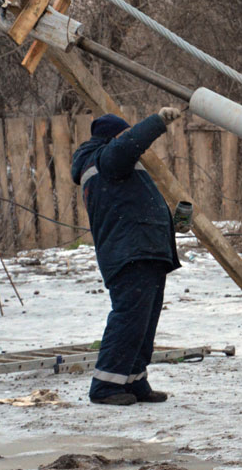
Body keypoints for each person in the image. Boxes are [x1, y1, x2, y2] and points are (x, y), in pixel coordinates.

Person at [71, 108, 183, 406]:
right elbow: (129, 142)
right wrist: (158, 121)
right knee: (129, 319)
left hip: (142, 251)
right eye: (122, 135)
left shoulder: (111, 165)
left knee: (143, 322)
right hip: (131, 252)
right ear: (112, 137)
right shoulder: (106, 159)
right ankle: (105, 387)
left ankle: (133, 380)